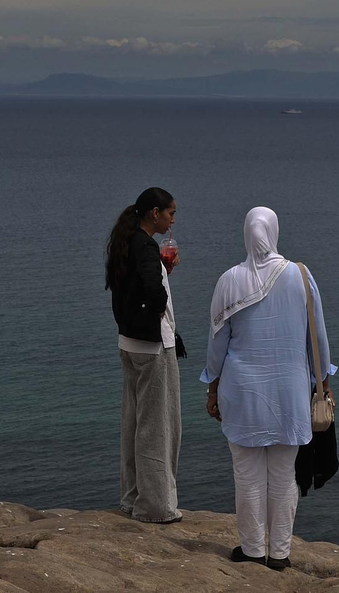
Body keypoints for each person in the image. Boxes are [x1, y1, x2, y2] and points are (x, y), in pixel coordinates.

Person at [202, 206, 335, 571]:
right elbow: (318, 341)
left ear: (247, 233)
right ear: (274, 231)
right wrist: (324, 384)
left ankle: (252, 549)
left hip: (242, 392)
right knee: (284, 474)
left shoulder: (230, 280)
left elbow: (218, 344)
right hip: (291, 392)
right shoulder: (301, 276)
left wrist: (212, 387)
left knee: (247, 475)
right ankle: (280, 554)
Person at [106, 186, 184, 524]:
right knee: (159, 427)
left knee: (134, 423)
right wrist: (156, 313)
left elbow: (135, 287)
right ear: (155, 213)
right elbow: (153, 292)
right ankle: (156, 506)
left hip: (128, 342)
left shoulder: (125, 243)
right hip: (153, 347)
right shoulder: (147, 247)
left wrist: (164, 277)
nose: (172, 220)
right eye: (170, 213)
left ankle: (132, 498)